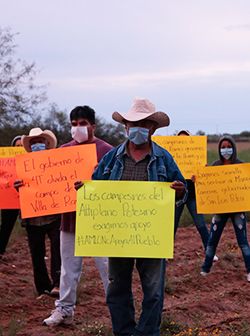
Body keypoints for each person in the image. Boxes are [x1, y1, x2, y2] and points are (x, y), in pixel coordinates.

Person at [91, 98, 186, 336]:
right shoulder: (112, 158)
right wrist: (83, 189)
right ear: (124, 127)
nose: (137, 128)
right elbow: (96, 187)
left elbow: (181, 188)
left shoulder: (164, 158)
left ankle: (147, 333)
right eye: (132, 123)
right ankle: (124, 331)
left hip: (152, 237)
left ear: (152, 128)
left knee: (153, 291)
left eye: (143, 123)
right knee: (117, 289)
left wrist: (180, 190)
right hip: (118, 235)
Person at [43, 105, 113, 326]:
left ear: (93, 125)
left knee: (108, 268)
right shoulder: (63, 151)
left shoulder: (107, 151)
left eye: (82, 123)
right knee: (68, 269)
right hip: (70, 219)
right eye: (74, 124)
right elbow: (47, 183)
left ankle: (118, 310)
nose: (78, 128)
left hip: (99, 221)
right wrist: (24, 187)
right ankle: (64, 310)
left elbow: (115, 185)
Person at [14, 128, 61, 298]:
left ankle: (58, 283)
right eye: (33, 143)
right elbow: (15, 188)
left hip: (54, 214)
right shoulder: (21, 165)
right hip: (32, 217)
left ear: (47, 144)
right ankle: (42, 287)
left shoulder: (56, 163)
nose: (37, 145)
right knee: (36, 253)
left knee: (58, 249)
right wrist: (17, 186)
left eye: (39, 141)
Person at [200, 134, 250, 282]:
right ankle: (205, 268)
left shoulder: (240, 165)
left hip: (237, 210)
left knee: (243, 242)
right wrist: (201, 176)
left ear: (233, 148)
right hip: (220, 210)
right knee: (212, 241)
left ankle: (249, 270)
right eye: (223, 147)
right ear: (219, 149)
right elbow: (207, 185)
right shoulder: (215, 166)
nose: (226, 150)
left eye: (228, 147)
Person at [174, 130, 218, 261]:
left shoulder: (196, 156)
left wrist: (202, 171)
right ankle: (165, 253)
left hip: (192, 195)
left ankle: (210, 251)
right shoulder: (172, 157)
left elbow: (205, 177)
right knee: (172, 225)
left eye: (186, 139)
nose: (183, 142)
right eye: (180, 140)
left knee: (201, 224)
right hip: (178, 196)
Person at [0, 136, 22, 259]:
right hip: (10, 197)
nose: (19, 149)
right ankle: (1, 249)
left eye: (21, 146)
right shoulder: (5, 163)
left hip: (27, 198)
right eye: (17, 146)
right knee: (6, 225)